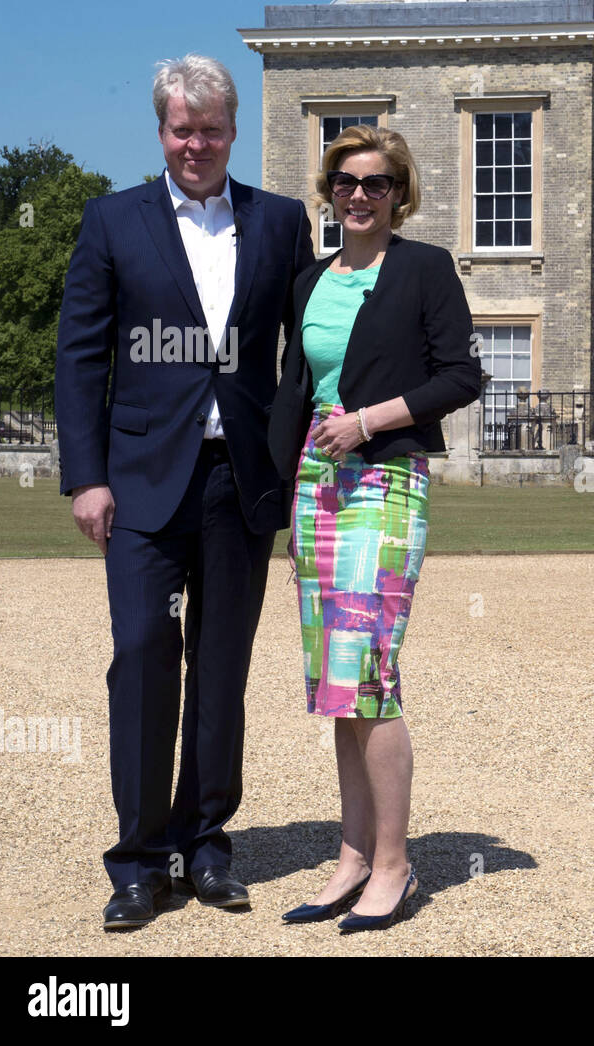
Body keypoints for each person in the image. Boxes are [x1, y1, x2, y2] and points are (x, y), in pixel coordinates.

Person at [55, 55, 314, 930]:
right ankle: (136, 859)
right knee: (140, 658)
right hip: (138, 487)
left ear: (233, 131)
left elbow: (304, 360)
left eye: (211, 128)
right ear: (161, 132)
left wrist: (289, 470)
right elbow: (81, 358)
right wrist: (86, 477)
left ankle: (205, 845)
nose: (196, 142)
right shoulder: (111, 221)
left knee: (221, 672)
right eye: (181, 128)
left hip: (239, 485)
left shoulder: (279, 223)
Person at [269, 125, 481, 932]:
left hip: (385, 478)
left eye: (378, 183)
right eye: (347, 182)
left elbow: (461, 374)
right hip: (316, 486)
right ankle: (353, 855)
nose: (360, 195)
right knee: (334, 679)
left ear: (401, 193)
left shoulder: (423, 269)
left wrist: (368, 421)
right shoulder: (308, 281)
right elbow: (295, 386)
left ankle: (395, 863)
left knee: (368, 668)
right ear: (330, 192)